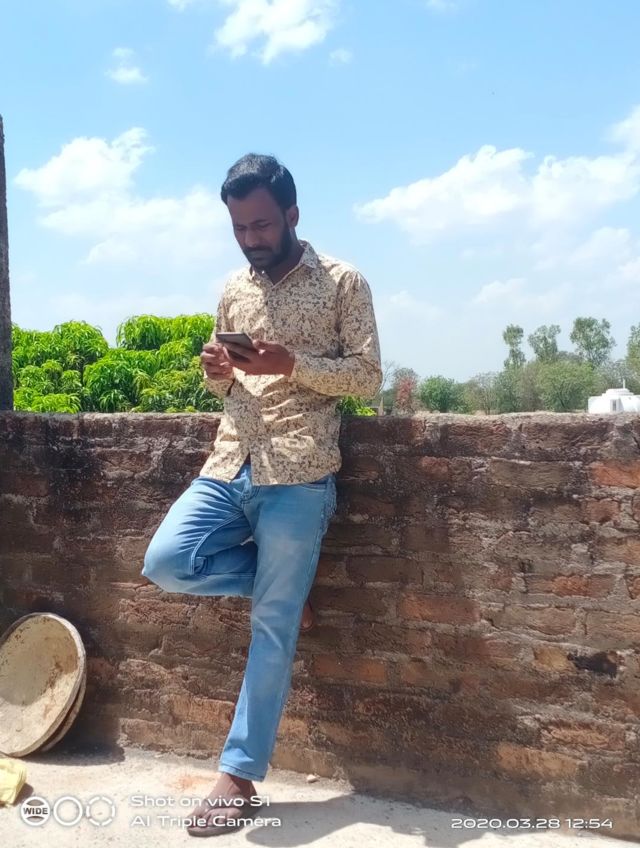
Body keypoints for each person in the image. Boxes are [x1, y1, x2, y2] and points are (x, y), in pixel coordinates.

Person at [141, 153, 383, 837]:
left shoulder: (342, 281)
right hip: (230, 463)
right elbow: (224, 385)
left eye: (262, 225)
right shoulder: (232, 289)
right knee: (166, 562)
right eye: (240, 227)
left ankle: (238, 776)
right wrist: (216, 369)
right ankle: (279, 586)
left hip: (300, 473)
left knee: (272, 628)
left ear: (292, 215)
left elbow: (367, 376)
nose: (250, 238)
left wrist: (292, 364)